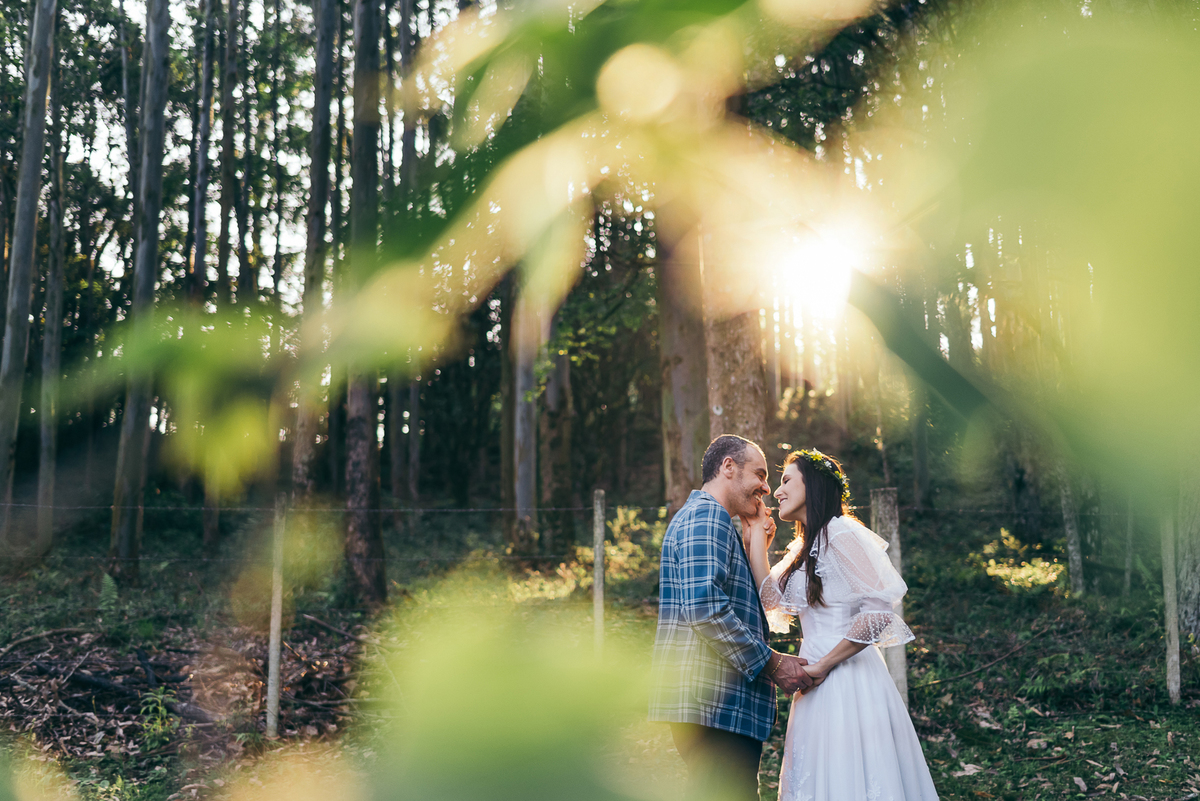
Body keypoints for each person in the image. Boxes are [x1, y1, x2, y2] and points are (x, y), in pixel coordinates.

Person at [743, 448, 939, 801]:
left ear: (813, 485)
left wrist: (824, 664)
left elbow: (878, 612)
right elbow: (770, 598)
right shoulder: (805, 546)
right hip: (812, 680)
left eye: (786, 480)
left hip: (848, 676)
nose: (778, 491)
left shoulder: (841, 533)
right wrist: (758, 533)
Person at [649, 434, 814, 801]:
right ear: (728, 467)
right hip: (714, 705)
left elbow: (736, 606)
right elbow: (704, 608)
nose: (767, 488)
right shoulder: (707, 517)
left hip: (720, 707)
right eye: (759, 473)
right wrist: (772, 664)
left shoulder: (713, 522)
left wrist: (756, 542)